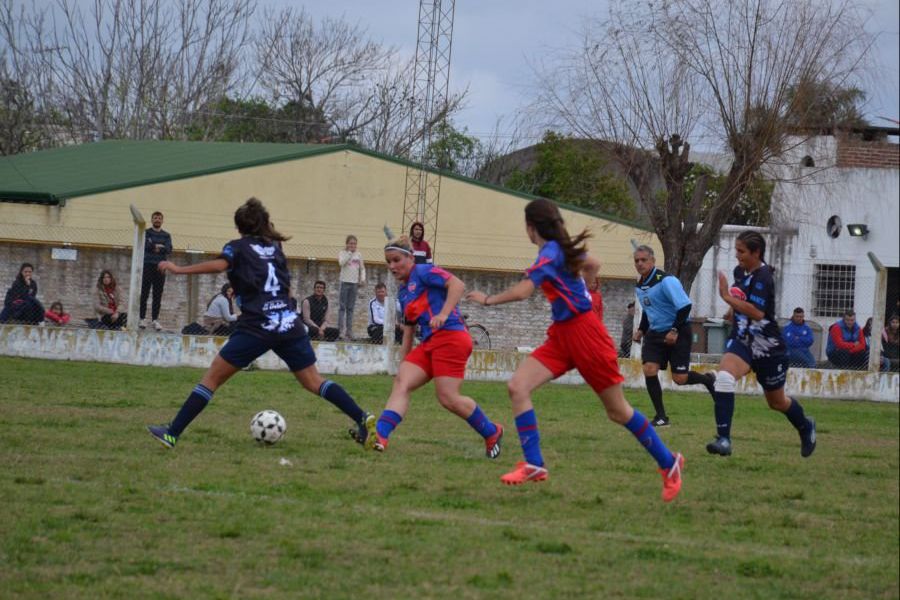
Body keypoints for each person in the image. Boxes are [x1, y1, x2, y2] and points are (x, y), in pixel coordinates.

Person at [466, 198, 684, 502]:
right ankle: (534, 464)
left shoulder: (549, 256)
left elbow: (523, 291)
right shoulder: (561, 250)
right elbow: (593, 264)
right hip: (562, 335)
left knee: (618, 411)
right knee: (517, 386)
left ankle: (669, 463)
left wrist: (487, 300)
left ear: (531, 228)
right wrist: (584, 284)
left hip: (585, 335)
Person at [147, 197, 376, 449]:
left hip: (257, 325)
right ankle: (362, 418)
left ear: (239, 226)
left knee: (211, 379)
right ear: (264, 223)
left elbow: (220, 265)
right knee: (314, 381)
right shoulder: (276, 247)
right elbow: (284, 285)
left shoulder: (237, 247)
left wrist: (179, 269)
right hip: (289, 323)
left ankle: (172, 433)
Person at [364, 236, 504, 460]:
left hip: (451, 337)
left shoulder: (423, 271)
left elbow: (457, 285)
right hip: (430, 343)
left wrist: (443, 314)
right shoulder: (403, 292)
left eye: (396, 260)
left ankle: (492, 432)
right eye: (388, 262)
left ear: (410, 258)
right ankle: (380, 437)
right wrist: (403, 363)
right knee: (402, 382)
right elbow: (409, 330)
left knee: (448, 398)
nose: (391, 266)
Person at [706, 230, 816, 458]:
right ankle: (724, 440)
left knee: (776, 402)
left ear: (756, 253)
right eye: (736, 250)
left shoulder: (764, 277)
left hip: (768, 347)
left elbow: (757, 312)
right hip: (743, 341)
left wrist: (727, 298)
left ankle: (806, 426)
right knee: (724, 378)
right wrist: (731, 310)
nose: (737, 256)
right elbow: (743, 299)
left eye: (741, 251)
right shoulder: (742, 272)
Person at [631, 245, 715, 427]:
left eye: (643, 260)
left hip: (679, 331)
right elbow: (648, 308)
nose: (640, 263)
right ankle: (661, 416)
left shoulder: (666, 280)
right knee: (649, 369)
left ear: (653, 261)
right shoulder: (640, 285)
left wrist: (674, 330)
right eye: (637, 260)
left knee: (680, 379)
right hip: (655, 333)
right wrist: (641, 330)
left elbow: (685, 306)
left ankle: (708, 380)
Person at [139, 211, 172, 331]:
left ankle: (155, 320)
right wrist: (159, 247)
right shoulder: (146, 232)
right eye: (155, 218)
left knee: (157, 294)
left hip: (160, 267)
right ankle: (142, 318)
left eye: (159, 218)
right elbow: (146, 246)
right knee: (144, 293)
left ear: (162, 220)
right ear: (152, 220)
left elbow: (168, 249)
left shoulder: (167, 235)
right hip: (148, 265)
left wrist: (156, 246)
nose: (157, 220)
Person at [338, 234, 366, 340]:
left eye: (354, 243)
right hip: (344, 282)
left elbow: (362, 268)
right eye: (350, 243)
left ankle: (349, 331)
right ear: (347, 244)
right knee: (342, 308)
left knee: (350, 308)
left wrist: (362, 278)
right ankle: (341, 331)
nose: (353, 245)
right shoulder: (342, 253)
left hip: (354, 284)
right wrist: (349, 253)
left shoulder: (359, 255)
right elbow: (341, 263)